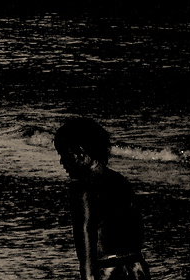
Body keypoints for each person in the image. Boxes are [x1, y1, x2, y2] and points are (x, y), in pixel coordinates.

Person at [54, 117, 149, 280]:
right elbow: (137, 228)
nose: (62, 162)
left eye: (65, 155)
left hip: (107, 271)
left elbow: (85, 230)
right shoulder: (120, 181)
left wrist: (88, 276)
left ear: (80, 153)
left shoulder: (82, 188)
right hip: (137, 267)